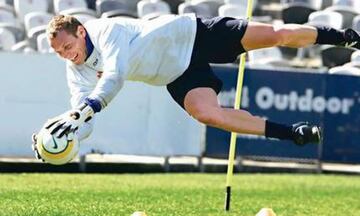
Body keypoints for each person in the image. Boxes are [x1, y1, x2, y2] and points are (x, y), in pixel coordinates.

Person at [32, 13, 360, 159]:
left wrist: (85, 110)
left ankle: (344, 38)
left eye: (66, 47)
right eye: (59, 53)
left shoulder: (105, 30)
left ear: (81, 32)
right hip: (176, 74)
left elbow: (115, 77)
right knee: (207, 114)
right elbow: (83, 113)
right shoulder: (75, 67)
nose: (66, 56)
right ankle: (295, 133)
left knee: (278, 36)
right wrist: (65, 131)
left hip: (191, 35)